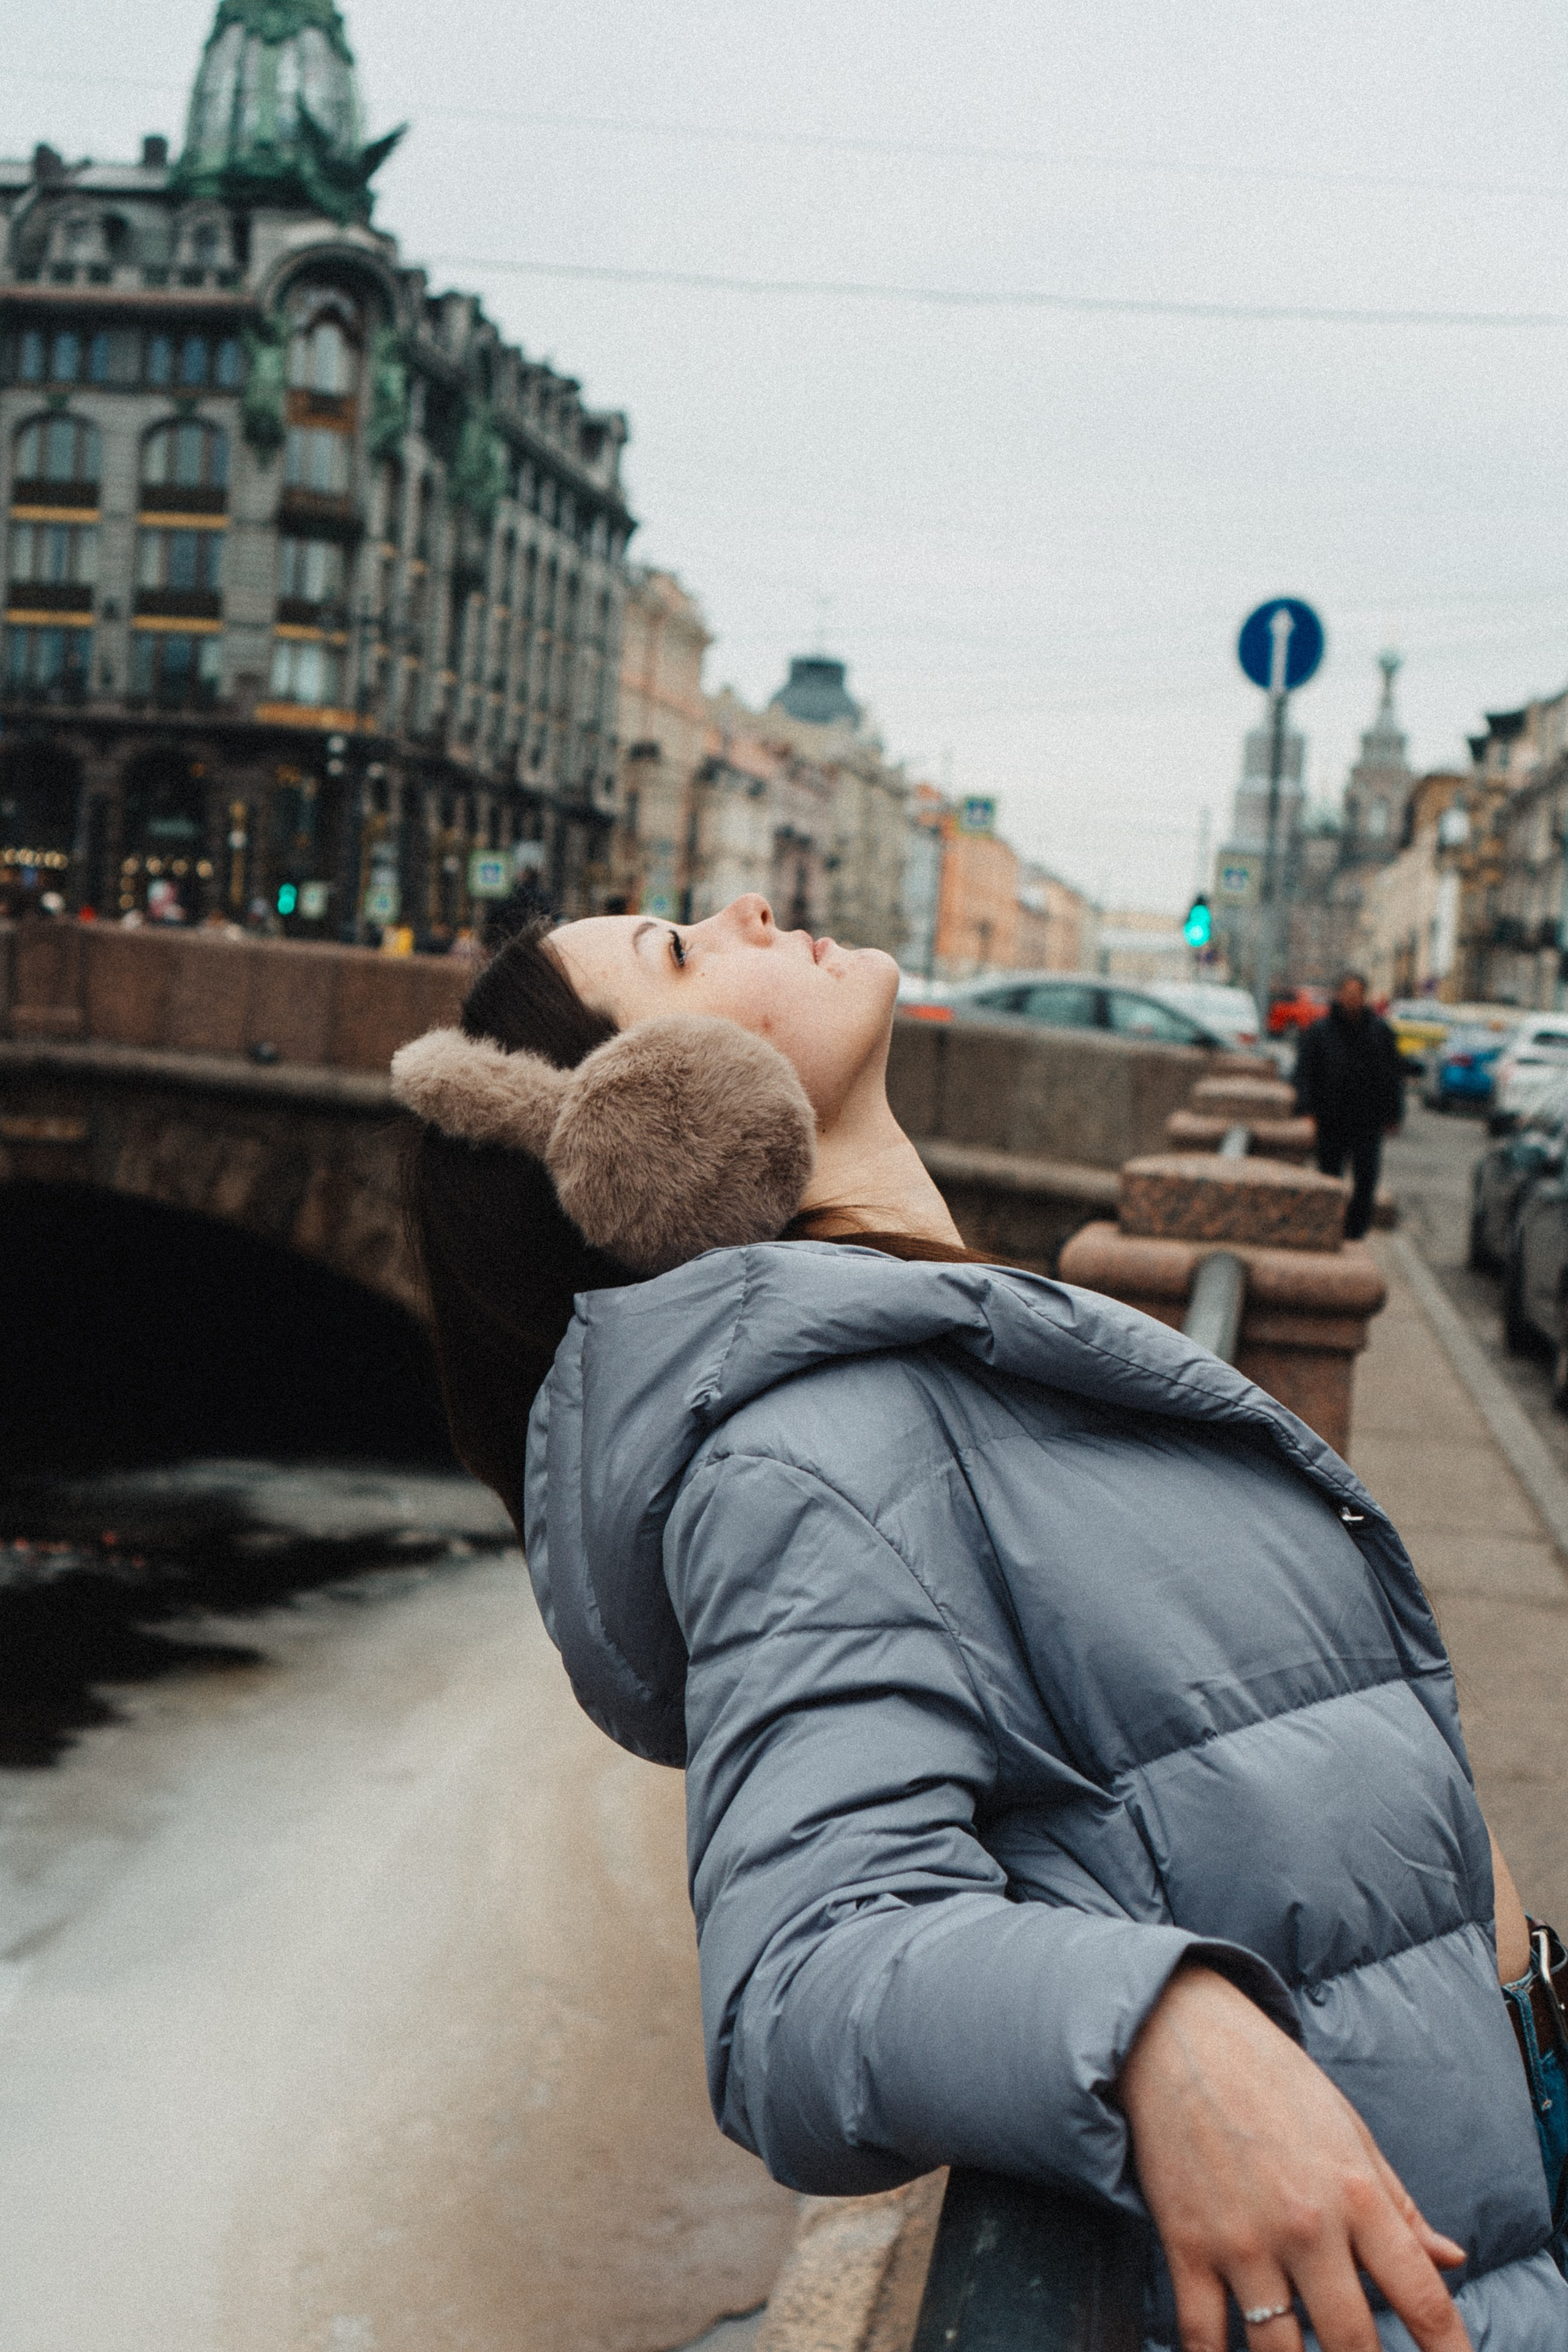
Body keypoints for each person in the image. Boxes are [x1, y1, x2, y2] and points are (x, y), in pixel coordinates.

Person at [397, 895, 1567, 2351]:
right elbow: (799, 1977)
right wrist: (1152, 2028)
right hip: (1382, 2291)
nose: (747, 910)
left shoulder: (931, 1355)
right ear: (655, 1119)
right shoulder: (806, 1453)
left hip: (1464, 2199)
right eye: (682, 953)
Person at [1293, 972, 1406, 1242]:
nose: (1353, 999)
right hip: (1330, 1118)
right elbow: (1304, 1074)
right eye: (1348, 993)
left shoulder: (1380, 1032)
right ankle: (1328, 1228)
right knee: (1330, 1178)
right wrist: (1307, 1111)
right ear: (1339, 995)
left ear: (1364, 997)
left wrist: (1394, 1114)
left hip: (1367, 1120)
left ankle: (1355, 1233)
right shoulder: (1320, 1032)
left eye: (1358, 994)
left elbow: (1393, 1076)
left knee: (1366, 1180)